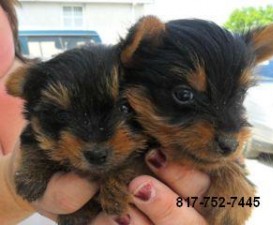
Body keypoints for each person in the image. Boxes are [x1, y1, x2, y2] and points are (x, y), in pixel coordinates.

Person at [0, 1, 210, 224]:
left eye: (123, 108)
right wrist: (10, 188)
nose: (95, 143)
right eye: (63, 117)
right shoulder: (34, 87)